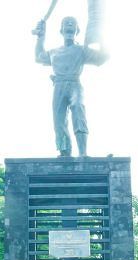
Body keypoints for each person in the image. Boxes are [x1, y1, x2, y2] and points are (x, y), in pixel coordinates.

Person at [34, 17, 108, 157]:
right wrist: (40, 37)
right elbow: (38, 57)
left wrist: (101, 39)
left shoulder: (82, 50)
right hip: (59, 86)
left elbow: (103, 57)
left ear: (77, 31)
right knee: (59, 120)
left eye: (73, 23)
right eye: (66, 23)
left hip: (75, 84)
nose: (69, 25)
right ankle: (65, 153)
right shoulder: (54, 52)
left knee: (78, 111)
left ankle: (83, 153)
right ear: (61, 30)